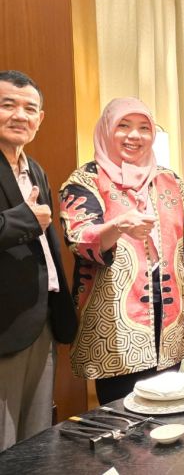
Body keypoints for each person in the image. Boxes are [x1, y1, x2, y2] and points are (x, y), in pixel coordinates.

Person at [60, 97, 184, 404]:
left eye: (144, 128)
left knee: (169, 407)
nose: (134, 136)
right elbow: (79, 239)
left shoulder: (169, 180)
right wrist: (117, 227)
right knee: (122, 415)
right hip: (114, 326)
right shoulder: (86, 181)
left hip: (171, 320)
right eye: (123, 126)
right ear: (106, 130)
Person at [0, 70, 77, 451]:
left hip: (40, 318)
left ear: (40, 118)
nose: (20, 115)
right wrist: (24, 221)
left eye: (30, 109)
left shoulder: (35, 169)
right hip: (5, 324)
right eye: (7, 105)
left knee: (35, 436)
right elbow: (28, 224)